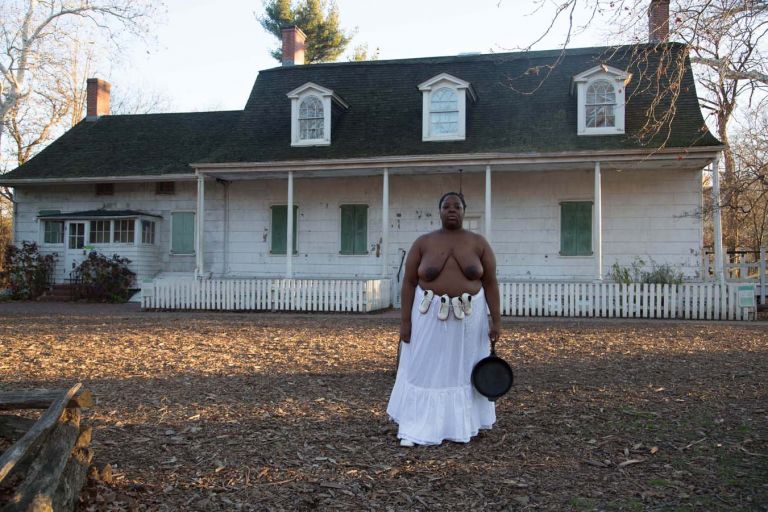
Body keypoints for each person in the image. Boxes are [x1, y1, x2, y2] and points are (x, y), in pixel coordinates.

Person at [387, 191, 501, 446]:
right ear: (439, 211)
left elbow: (491, 283)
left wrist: (497, 320)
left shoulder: (479, 243)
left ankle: (461, 424)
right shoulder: (423, 243)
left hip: (469, 320)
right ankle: (416, 426)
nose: (452, 210)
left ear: (464, 211)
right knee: (424, 367)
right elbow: (408, 283)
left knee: (463, 368)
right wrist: (405, 322)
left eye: (457, 206)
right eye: (446, 206)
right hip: (428, 317)